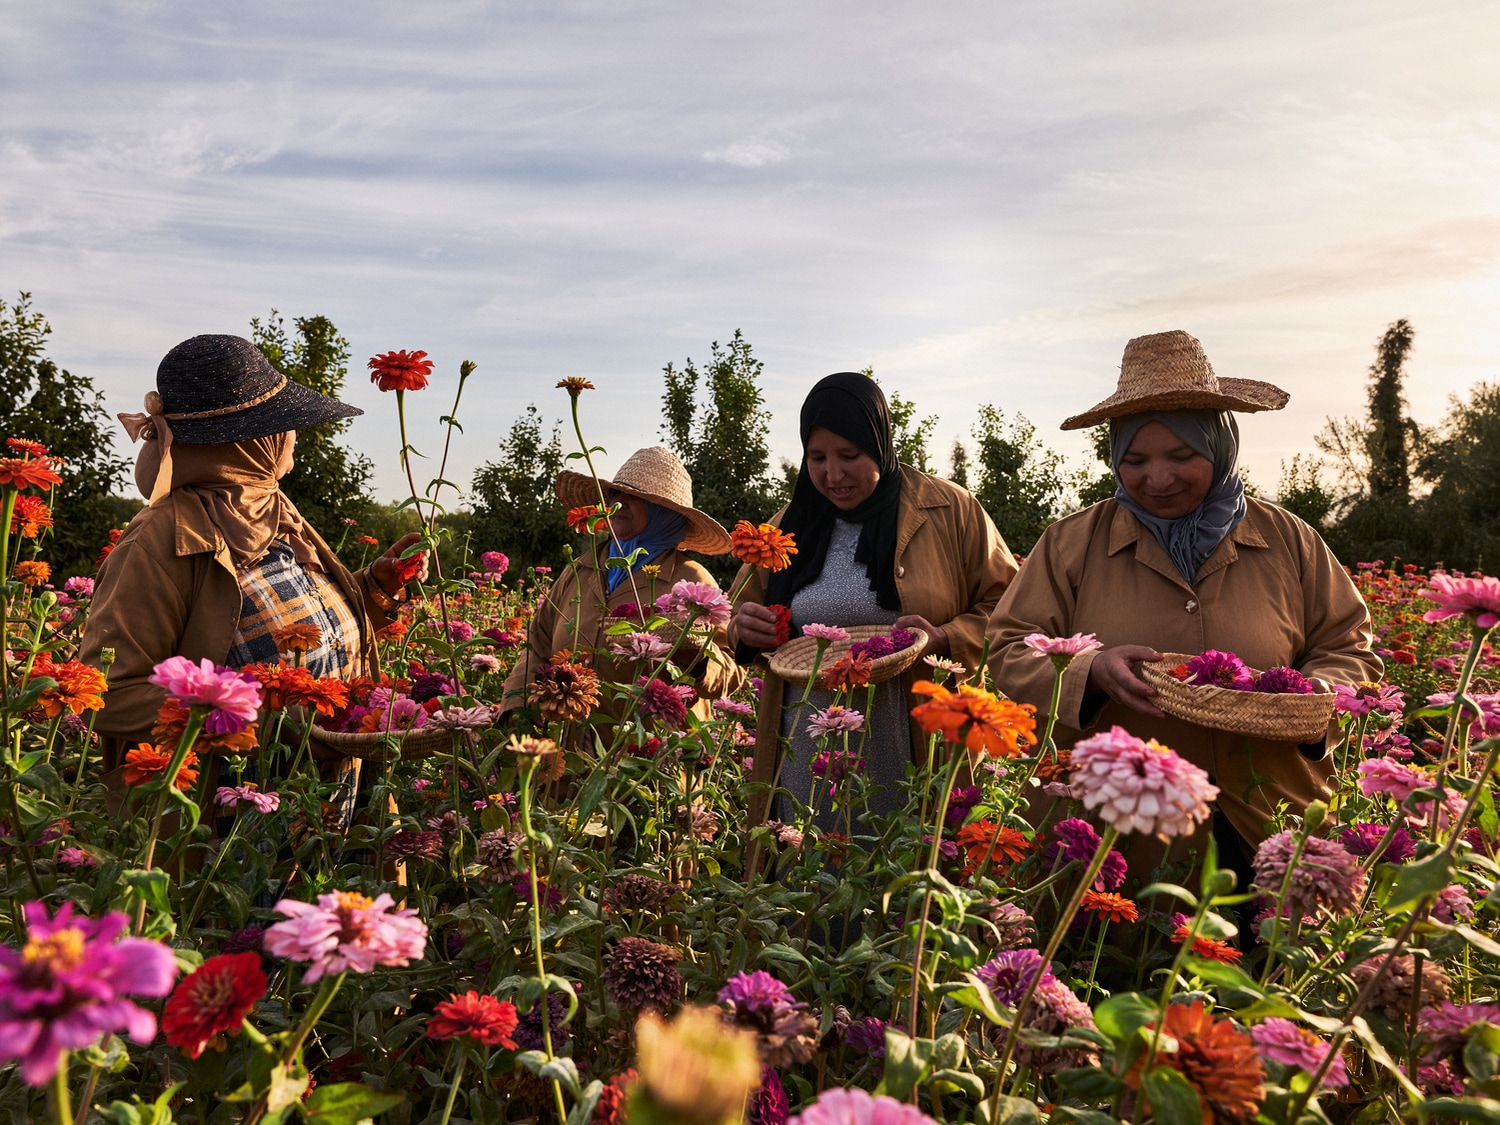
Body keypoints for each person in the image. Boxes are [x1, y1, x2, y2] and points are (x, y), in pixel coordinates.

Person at [988, 329, 1381, 889]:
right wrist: (1089, 671)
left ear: (1220, 450)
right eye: (1136, 459)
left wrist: (1318, 695)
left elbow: (1347, 644)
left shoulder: (1288, 539)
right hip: (1121, 829)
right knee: (1126, 962)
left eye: (1181, 455)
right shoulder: (1070, 544)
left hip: (1269, 811)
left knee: (1267, 962)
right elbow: (1008, 645)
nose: (1159, 478)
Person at [81, 334, 428, 796]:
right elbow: (109, 694)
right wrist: (265, 726)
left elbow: (277, 621)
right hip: (224, 822)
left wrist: (372, 589)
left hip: (327, 801)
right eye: (284, 423)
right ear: (248, 441)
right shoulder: (157, 540)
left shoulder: (272, 508)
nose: (294, 435)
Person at [730, 373, 1018, 838]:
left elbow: (1010, 609)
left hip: (909, 731)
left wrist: (946, 638)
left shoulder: (950, 510)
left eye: (850, 456)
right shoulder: (787, 524)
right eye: (817, 457)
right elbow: (734, 614)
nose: (833, 474)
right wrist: (744, 628)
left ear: (880, 445)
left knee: (906, 861)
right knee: (809, 873)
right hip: (807, 740)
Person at [500, 446, 744, 722]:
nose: (619, 502)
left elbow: (731, 672)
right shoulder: (579, 571)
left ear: (664, 512)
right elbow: (537, 645)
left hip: (650, 754)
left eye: (636, 497)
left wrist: (696, 655)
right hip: (566, 750)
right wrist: (516, 709)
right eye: (616, 493)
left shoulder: (690, 581)